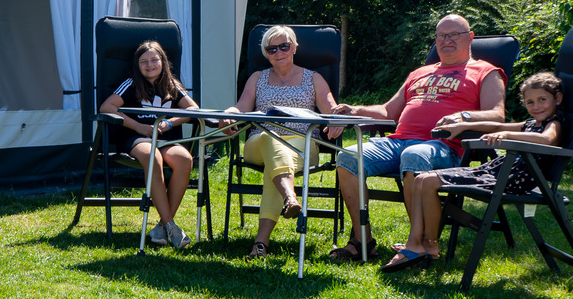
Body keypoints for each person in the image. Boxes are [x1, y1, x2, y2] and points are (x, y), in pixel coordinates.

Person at [326, 14, 506, 263]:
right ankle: (361, 240)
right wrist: (354, 110)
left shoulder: (486, 72)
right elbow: (388, 111)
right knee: (348, 156)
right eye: (441, 35)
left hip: (444, 146)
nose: (446, 40)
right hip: (398, 141)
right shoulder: (420, 72)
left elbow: (497, 115)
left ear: (470, 37)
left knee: (414, 155)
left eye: (454, 34)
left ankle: (419, 244)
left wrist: (464, 116)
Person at [382, 71, 567, 272]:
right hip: (498, 172)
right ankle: (417, 242)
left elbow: (547, 140)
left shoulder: (553, 124)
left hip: (511, 179)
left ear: (557, 98)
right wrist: (464, 126)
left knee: (428, 181)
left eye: (542, 100)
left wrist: (508, 135)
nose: (536, 106)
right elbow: (497, 125)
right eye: (530, 102)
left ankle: (429, 244)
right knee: (421, 179)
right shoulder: (530, 125)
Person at [220, 25, 340, 259]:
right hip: (260, 142)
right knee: (271, 139)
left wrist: (337, 120)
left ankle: (261, 244)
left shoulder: (313, 78)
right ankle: (289, 197)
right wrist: (228, 113)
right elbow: (241, 107)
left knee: (275, 166)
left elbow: (331, 109)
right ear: (266, 53)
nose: (278, 52)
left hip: (303, 144)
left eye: (284, 46)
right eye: (272, 49)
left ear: (294, 47)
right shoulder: (258, 78)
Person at [99, 40, 201, 248]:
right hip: (137, 138)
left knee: (185, 159)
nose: (149, 65)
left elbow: (193, 109)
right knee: (152, 156)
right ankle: (171, 226)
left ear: (163, 61)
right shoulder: (131, 84)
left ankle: (162, 227)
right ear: (137, 65)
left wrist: (169, 123)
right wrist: (138, 126)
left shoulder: (172, 85)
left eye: (154, 60)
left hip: (165, 138)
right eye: (143, 61)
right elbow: (106, 107)